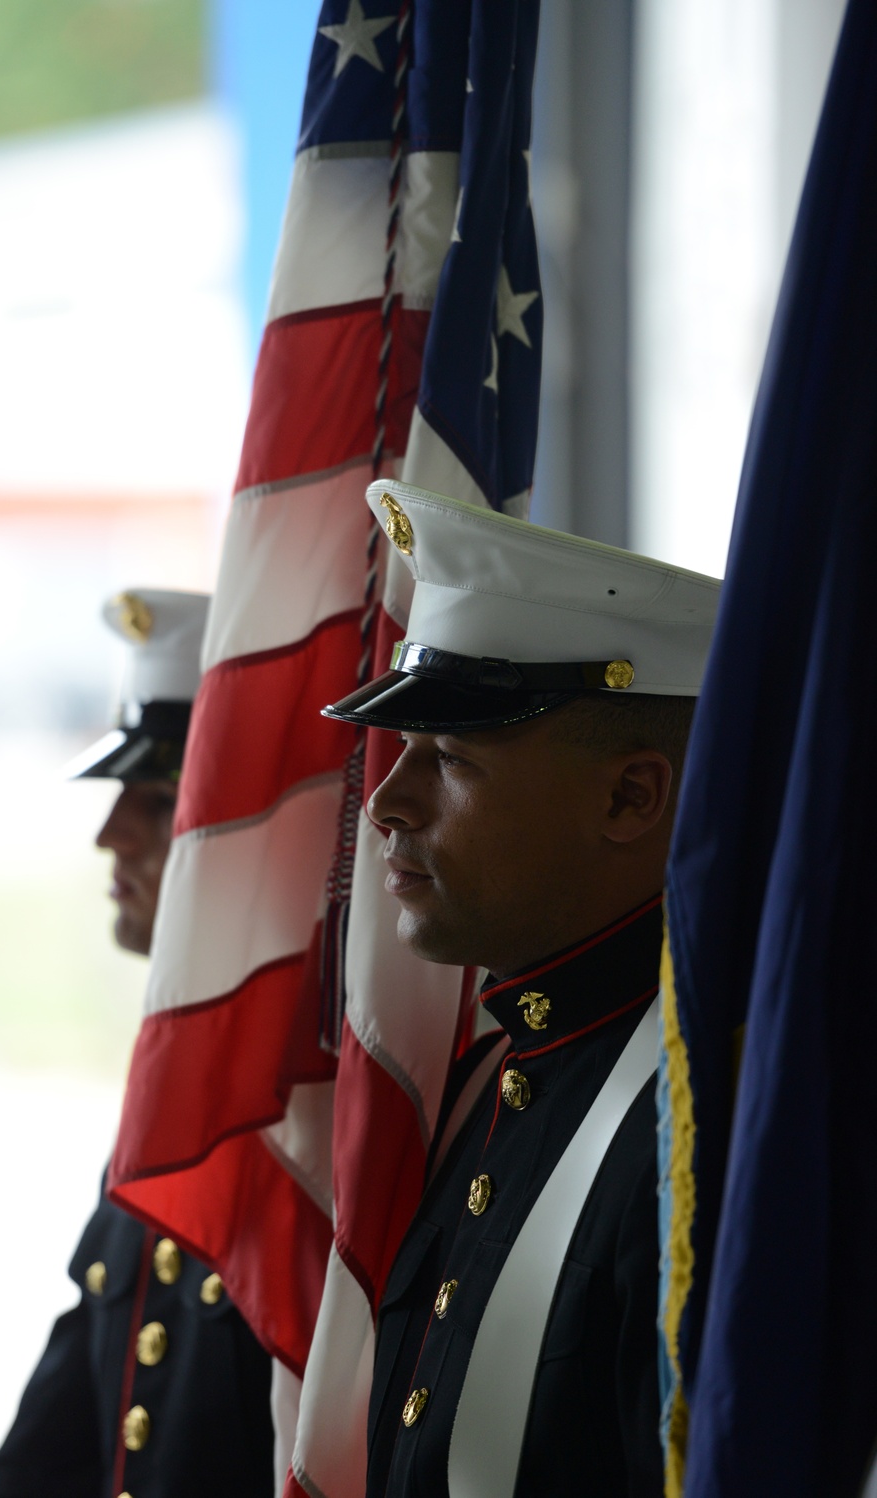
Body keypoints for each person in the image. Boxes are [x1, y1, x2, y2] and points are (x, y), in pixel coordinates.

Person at [322, 480, 721, 1498]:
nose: (387, 802)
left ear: (629, 794)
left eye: (450, 758)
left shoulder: (705, 1119)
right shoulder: (497, 1075)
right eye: (404, 749)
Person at [0, 589, 274, 1498]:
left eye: (158, 799)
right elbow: (59, 1441)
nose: (110, 837)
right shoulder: (188, 1075)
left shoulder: (326, 1104)